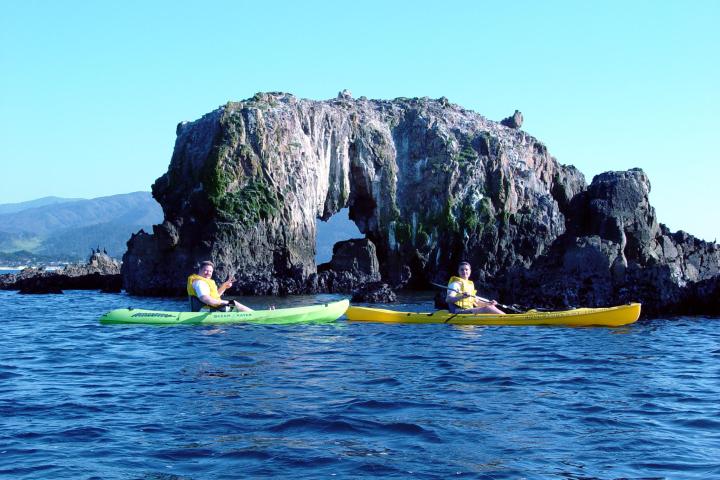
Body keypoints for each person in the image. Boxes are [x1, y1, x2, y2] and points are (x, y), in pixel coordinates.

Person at [187, 261, 253, 312]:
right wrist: (226, 302)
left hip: (210, 309)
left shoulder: (201, 282)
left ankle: (250, 314)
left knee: (234, 306)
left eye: (210, 271)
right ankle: (254, 314)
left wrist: (224, 286)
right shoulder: (200, 283)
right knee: (234, 304)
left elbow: (215, 296)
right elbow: (205, 299)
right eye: (206, 270)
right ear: (200, 270)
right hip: (209, 310)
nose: (208, 273)